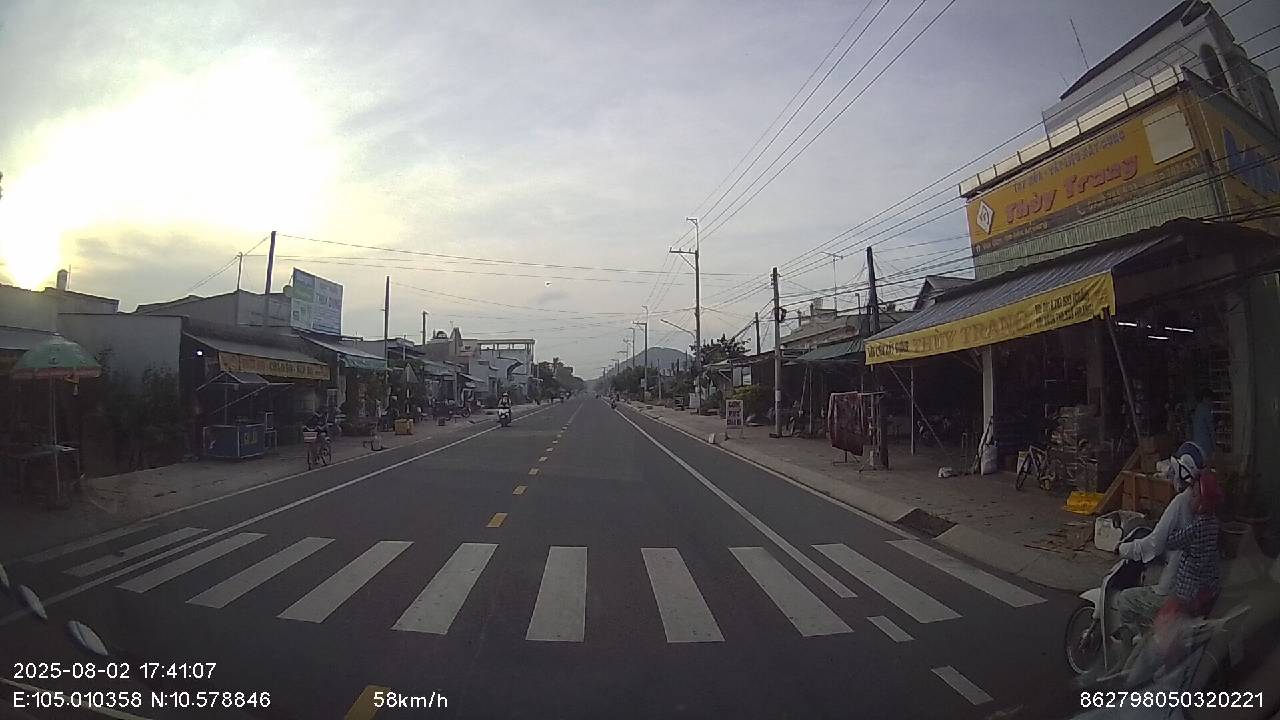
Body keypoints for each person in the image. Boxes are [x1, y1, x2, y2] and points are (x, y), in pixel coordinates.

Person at [1112, 442, 1208, 634]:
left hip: (1176, 589)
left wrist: (1123, 549)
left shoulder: (1182, 501)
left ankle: (1133, 649)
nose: (1172, 474)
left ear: (1183, 471)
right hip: (1199, 586)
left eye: (1175, 469)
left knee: (1125, 599)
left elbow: (1154, 543)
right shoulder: (1205, 502)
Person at [1191, 388, 1215, 464]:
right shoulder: (1206, 410)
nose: (1211, 402)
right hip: (1206, 444)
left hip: (1197, 443)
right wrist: (1214, 446)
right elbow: (1211, 430)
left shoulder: (1197, 409)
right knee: (1208, 464)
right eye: (1210, 400)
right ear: (1206, 398)